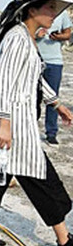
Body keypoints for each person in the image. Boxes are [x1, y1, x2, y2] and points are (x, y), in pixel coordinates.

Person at [0, 0, 73, 246]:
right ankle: (65, 241)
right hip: (14, 124)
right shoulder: (16, 38)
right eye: (49, 7)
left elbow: (33, 77)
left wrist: (56, 104)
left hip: (18, 121)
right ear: (32, 10)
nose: (53, 13)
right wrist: (3, 123)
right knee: (42, 179)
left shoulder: (26, 37)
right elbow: (2, 83)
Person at [36, 9, 72, 145]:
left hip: (55, 61)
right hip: (37, 59)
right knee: (33, 96)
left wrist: (58, 37)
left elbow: (68, 34)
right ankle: (30, 128)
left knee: (53, 97)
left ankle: (51, 132)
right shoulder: (36, 11)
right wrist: (37, 35)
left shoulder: (62, 13)